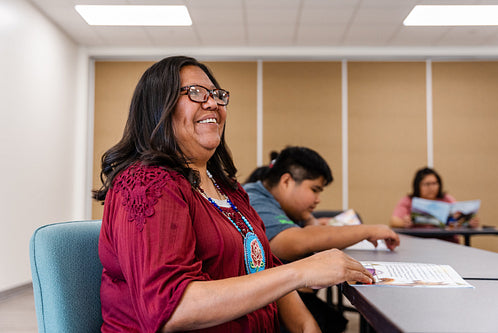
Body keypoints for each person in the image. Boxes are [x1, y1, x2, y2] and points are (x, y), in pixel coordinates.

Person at [93, 56, 375, 333]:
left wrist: (306, 325)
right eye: (195, 93)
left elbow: (263, 267)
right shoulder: (148, 182)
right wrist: (300, 272)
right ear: (158, 107)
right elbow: (172, 309)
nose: (213, 103)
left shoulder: (229, 189)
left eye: (217, 94)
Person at [243, 146, 400, 333]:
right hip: (264, 306)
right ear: (286, 181)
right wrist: (367, 230)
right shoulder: (253, 199)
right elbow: (290, 243)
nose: (318, 200)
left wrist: (309, 219)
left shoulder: (281, 204)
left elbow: (309, 229)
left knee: (333, 320)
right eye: (315, 189)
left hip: (285, 296)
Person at [390, 167, 480, 240]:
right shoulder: (409, 200)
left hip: (447, 242)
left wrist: (470, 223)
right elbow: (394, 221)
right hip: (418, 242)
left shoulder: (446, 199)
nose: (431, 187)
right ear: (417, 185)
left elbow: (457, 217)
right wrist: (403, 222)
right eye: (427, 184)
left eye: (435, 183)